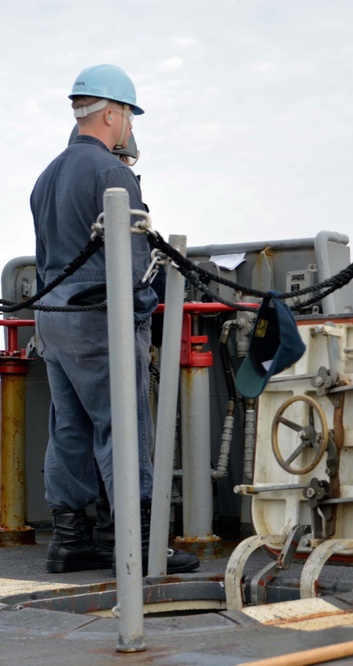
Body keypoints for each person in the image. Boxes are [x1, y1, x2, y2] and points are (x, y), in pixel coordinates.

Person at [31, 64, 198, 574]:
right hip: (99, 316)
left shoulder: (47, 175)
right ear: (111, 113)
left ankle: (72, 542)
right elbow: (131, 266)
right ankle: (140, 545)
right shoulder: (112, 173)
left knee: (70, 429)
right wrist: (147, 313)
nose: (129, 124)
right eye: (127, 114)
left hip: (52, 318)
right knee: (123, 424)